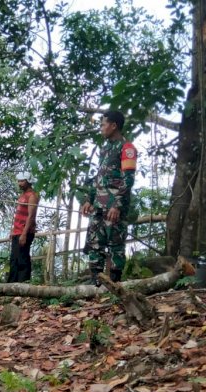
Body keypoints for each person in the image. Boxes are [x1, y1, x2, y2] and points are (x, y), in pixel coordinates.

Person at [82, 110, 137, 287]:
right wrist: (89, 199)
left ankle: (115, 283)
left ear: (114, 125)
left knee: (115, 245)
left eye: (103, 124)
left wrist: (117, 205)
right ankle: (94, 281)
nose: (101, 128)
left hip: (114, 209)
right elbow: (99, 177)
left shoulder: (127, 148)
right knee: (95, 244)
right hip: (98, 207)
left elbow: (128, 180)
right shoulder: (105, 149)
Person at [7, 171, 40, 283]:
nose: (20, 183)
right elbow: (19, 214)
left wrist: (24, 234)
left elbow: (31, 216)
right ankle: (12, 285)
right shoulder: (22, 196)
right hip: (17, 231)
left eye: (22, 181)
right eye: (19, 181)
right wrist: (13, 230)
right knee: (14, 259)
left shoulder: (32, 196)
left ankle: (22, 284)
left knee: (22, 259)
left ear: (28, 182)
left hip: (24, 232)